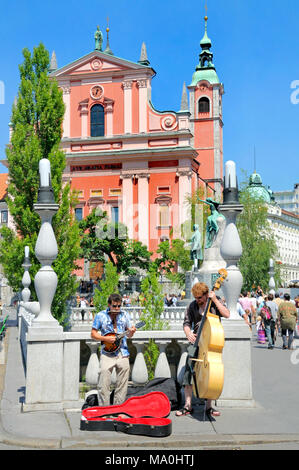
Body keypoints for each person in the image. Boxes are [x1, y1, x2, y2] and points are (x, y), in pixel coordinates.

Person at [176, 282, 230, 418]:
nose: (197, 300)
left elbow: (227, 314)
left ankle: (209, 407)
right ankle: (188, 405)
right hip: (196, 343)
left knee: (211, 374)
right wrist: (188, 332)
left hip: (210, 344)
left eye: (200, 297)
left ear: (206, 295)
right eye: (196, 297)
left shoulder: (213, 304)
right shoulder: (192, 306)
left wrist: (215, 300)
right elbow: (186, 323)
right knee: (188, 373)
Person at [91, 293, 136, 406]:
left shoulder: (125, 315)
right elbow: (93, 334)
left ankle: (117, 408)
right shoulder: (100, 315)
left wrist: (131, 332)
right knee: (103, 383)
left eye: (119, 306)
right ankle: (104, 410)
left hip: (123, 353)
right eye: (114, 306)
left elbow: (129, 335)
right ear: (109, 305)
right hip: (107, 353)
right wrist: (105, 338)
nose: (117, 309)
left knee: (122, 385)